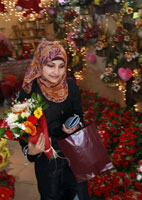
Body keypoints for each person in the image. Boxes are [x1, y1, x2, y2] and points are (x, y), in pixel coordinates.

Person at [17, 41, 90, 200]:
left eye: (61, 66)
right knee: (52, 195)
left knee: (77, 194)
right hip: (47, 160)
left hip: (73, 156)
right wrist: (30, 151)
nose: (56, 72)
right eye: (51, 65)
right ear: (40, 64)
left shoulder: (70, 85)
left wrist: (76, 125)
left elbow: (78, 114)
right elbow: (19, 127)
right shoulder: (29, 90)